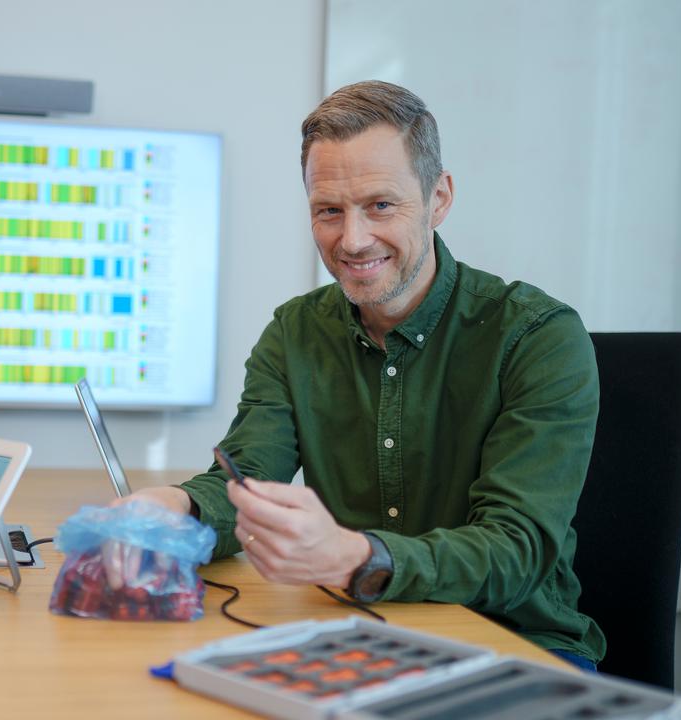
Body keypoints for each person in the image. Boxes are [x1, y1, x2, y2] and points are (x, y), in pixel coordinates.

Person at [119, 80, 604, 668]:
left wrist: (353, 556)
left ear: (439, 198)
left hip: (515, 645)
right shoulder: (295, 331)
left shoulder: (537, 336)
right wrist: (173, 508)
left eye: (380, 205)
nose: (351, 240)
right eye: (329, 211)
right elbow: (244, 483)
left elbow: (515, 551)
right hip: (357, 638)